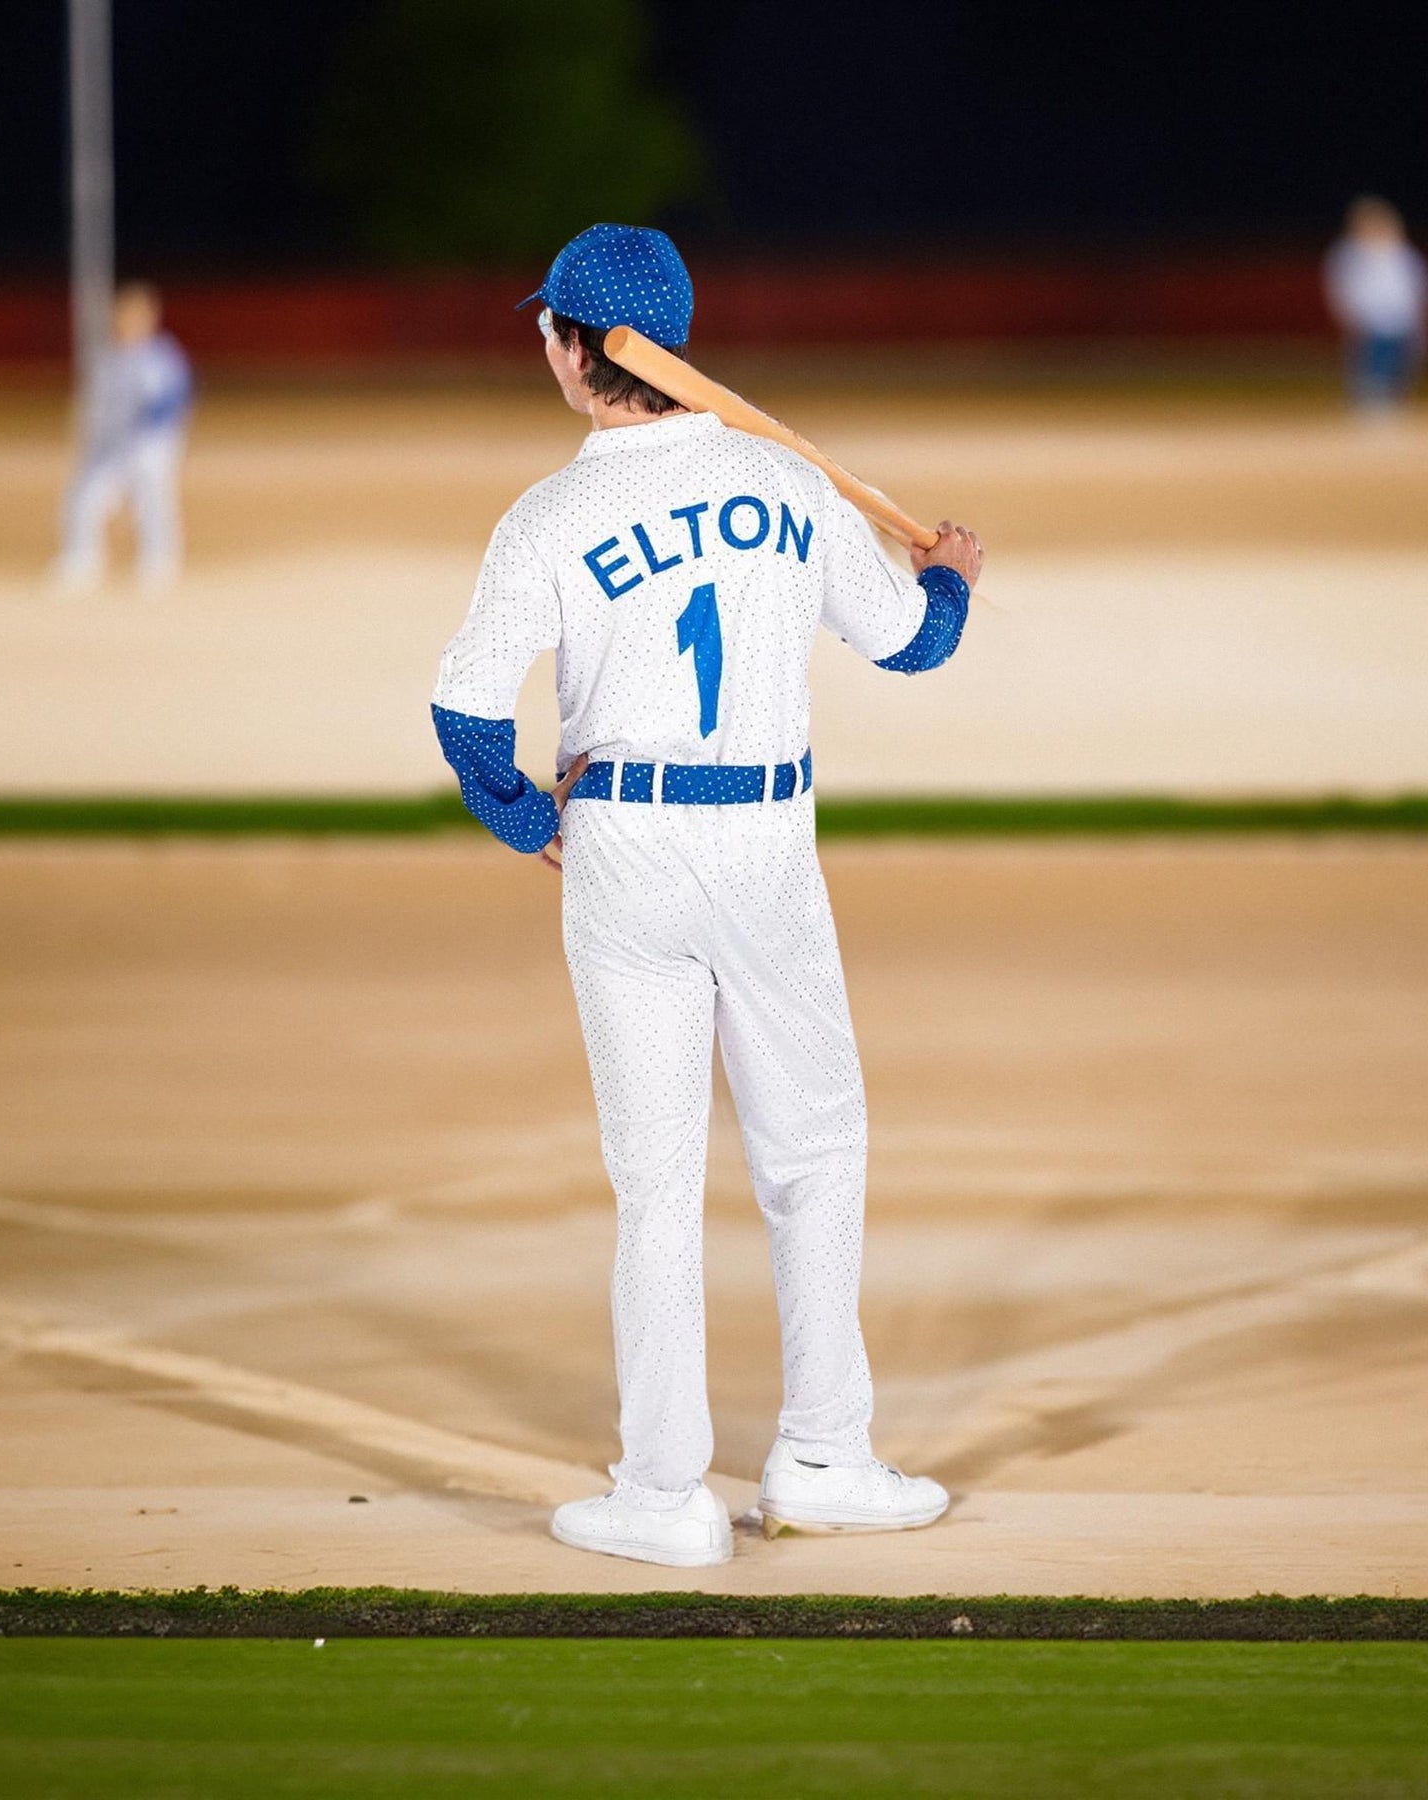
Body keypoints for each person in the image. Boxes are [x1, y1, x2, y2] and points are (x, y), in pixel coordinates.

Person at [430, 223, 983, 1568]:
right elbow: (912, 646)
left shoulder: (550, 514)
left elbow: (462, 716)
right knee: (816, 1156)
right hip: (769, 844)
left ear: (575, 349)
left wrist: (527, 820)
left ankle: (663, 1493)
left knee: (657, 1181)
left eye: (545, 327)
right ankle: (823, 1457)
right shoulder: (783, 483)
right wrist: (955, 578)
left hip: (623, 848)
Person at [55, 282, 193, 594]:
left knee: (153, 502)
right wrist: (89, 437)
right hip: (110, 447)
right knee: (84, 500)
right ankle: (81, 562)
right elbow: (94, 406)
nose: (126, 322)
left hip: (149, 446)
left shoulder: (161, 356)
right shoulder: (108, 358)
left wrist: (150, 438)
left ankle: (159, 563)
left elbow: (173, 400)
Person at [1323, 197, 1428, 415]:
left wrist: (1420, 323)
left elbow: (1419, 292)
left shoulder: (1404, 255)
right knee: (1370, 369)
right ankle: (1370, 410)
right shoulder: (1351, 254)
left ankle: (1390, 410)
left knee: (1397, 369)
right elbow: (1342, 287)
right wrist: (1349, 315)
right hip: (1370, 321)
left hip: (1401, 321)